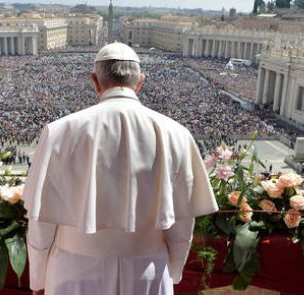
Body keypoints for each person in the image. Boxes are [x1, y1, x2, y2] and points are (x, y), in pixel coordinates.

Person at [23, 42, 218, 295]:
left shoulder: (59, 132)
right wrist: (174, 269)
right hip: (147, 270)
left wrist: (38, 278)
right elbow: (181, 224)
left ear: (95, 81)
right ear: (140, 82)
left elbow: (42, 222)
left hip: (73, 270)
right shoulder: (177, 133)